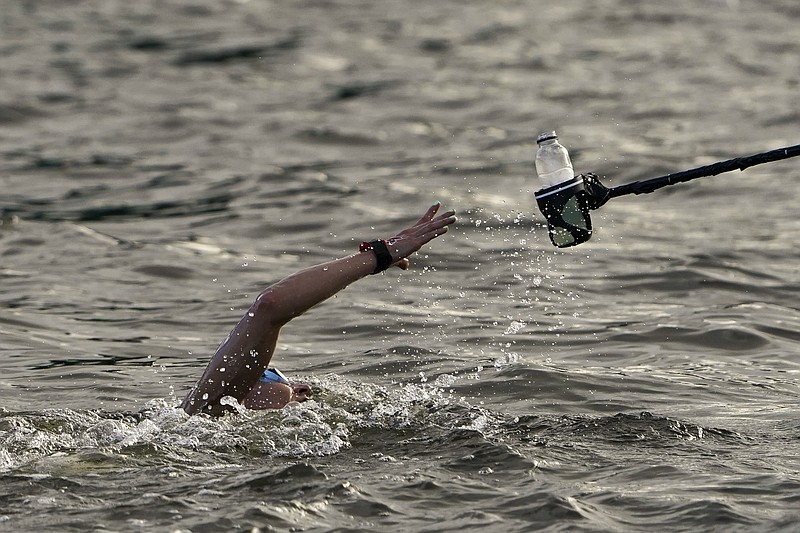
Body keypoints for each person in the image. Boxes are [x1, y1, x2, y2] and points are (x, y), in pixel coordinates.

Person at [181, 202, 457, 416]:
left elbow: (270, 308)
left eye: (258, 376)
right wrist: (377, 256)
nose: (244, 384)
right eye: (247, 375)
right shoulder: (200, 415)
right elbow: (269, 306)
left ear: (299, 392)